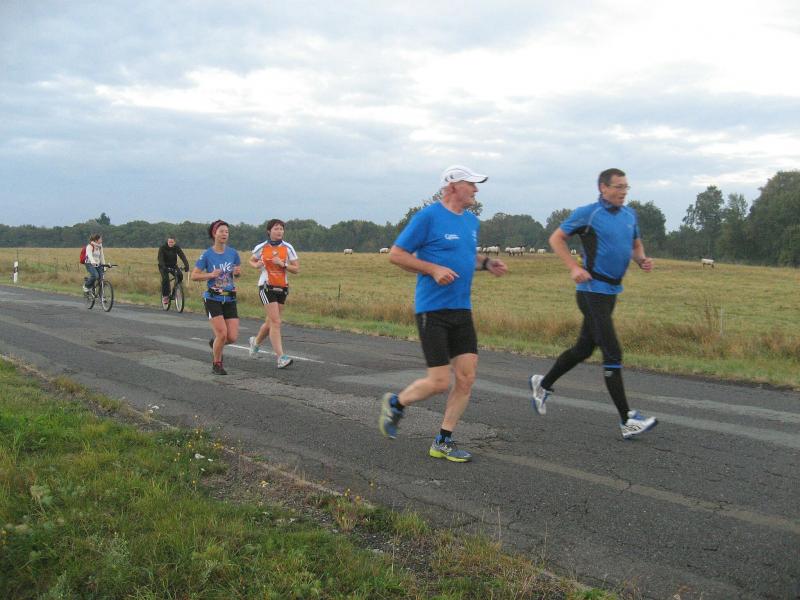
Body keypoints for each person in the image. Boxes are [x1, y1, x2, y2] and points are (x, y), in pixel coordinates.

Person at [378, 165, 508, 462]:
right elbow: (397, 255)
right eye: (471, 184)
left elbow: (465, 255)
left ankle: (443, 440)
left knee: (466, 378)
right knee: (439, 383)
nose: (476, 190)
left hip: (461, 309)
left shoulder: (471, 221)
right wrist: (433, 269)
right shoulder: (427, 217)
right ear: (452, 187)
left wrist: (486, 263)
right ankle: (396, 403)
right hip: (432, 309)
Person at [528, 168, 658, 439]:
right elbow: (556, 238)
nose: (623, 192)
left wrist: (642, 259)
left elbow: (635, 245)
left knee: (584, 349)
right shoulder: (588, 213)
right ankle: (626, 420)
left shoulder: (629, 215)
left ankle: (543, 384)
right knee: (612, 352)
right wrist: (573, 267)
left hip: (611, 292)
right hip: (590, 290)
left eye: (626, 187)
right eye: (618, 187)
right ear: (603, 188)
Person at [190, 220, 241, 375]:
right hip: (213, 298)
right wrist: (210, 275)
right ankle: (217, 364)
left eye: (227, 231)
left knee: (232, 337)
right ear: (214, 234)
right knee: (222, 333)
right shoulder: (207, 254)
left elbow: (236, 272)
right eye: (221, 231)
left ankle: (215, 343)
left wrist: (237, 273)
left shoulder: (233, 253)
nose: (224, 234)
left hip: (230, 298)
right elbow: (194, 276)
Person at [248, 219, 300, 369]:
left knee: (271, 322)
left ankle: (256, 342)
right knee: (276, 322)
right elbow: (251, 260)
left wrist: (283, 264)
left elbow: (296, 269)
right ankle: (281, 357)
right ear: (269, 231)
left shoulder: (288, 247)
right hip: (266, 286)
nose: (279, 231)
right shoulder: (262, 247)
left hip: (282, 287)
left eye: (281, 229)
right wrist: (256, 265)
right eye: (276, 229)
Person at [157, 236, 190, 305]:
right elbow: (160, 259)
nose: (170, 243)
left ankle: (175, 291)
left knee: (180, 275)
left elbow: (182, 256)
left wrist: (187, 265)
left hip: (173, 265)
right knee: (165, 279)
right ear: (167, 242)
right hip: (163, 266)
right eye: (169, 242)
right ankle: (165, 296)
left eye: (172, 242)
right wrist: (164, 267)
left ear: (174, 242)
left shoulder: (176, 247)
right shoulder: (162, 248)